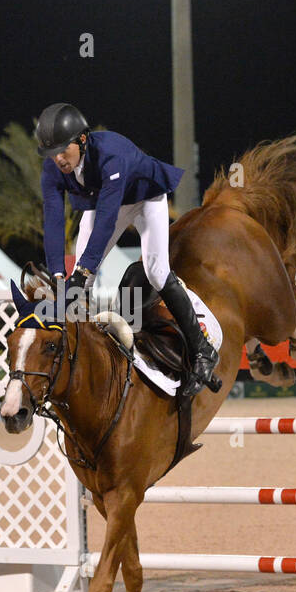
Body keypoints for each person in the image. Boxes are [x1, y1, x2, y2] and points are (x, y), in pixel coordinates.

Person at [34, 102, 220, 396]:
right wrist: (58, 274)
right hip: (106, 203)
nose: (58, 159)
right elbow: (54, 220)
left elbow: (107, 220)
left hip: (145, 198)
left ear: (82, 139)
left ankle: (203, 350)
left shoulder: (111, 155)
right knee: (75, 288)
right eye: (51, 153)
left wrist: (82, 270)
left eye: (62, 150)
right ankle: (83, 359)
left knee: (156, 273)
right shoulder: (53, 168)